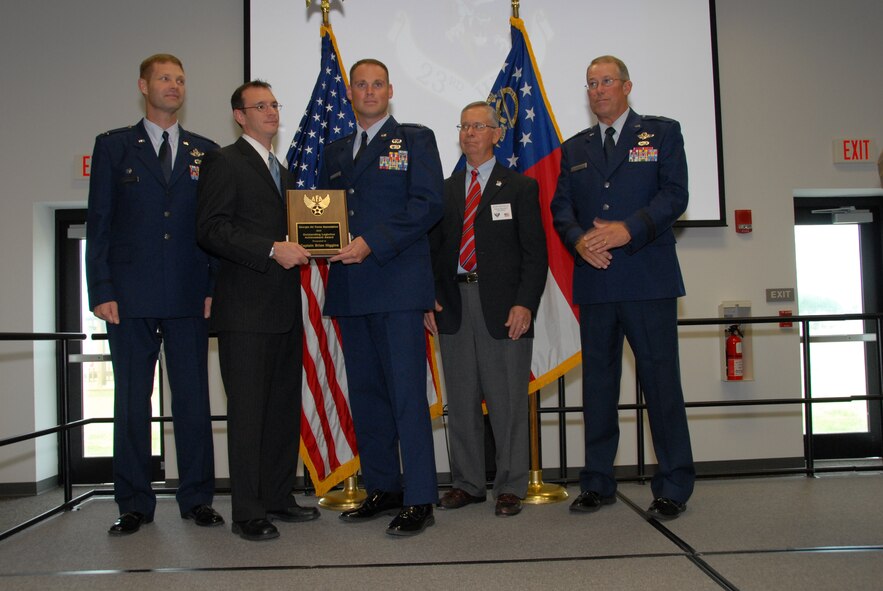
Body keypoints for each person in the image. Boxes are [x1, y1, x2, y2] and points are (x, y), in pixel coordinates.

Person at [550, 55, 695, 520]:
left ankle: (672, 485)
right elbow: (561, 209)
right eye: (590, 83)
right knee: (597, 387)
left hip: (647, 280)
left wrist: (626, 229)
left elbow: (675, 195)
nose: (597, 89)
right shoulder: (575, 148)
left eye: (606, 81)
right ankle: (597, 481)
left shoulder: (662, 133)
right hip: (595, 281)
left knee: (660, 385)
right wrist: (578, 242)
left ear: (627, 86)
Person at [86, 53, 223, 536]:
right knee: (131, 402)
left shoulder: (205, 152)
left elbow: (210, 229)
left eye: (181, 79)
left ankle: (197, 498)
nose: (174, 86)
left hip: (188, 293)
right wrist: (100, 288)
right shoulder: (114, 147)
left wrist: (210, 288)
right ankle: (134, 502)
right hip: (128, 296)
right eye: (165, 78)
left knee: (192, 399)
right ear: (143, 85)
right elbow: (99, 222)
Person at [317, 58, 444, 536]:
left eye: (377, 84)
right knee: (367, 396)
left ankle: (419, 498)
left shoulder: (415, 139)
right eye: (360, 85)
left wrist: (374, 241)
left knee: (407, 396)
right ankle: (383, 487)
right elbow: (323, 214)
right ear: (349, 93)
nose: (369, 92)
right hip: (350, 288)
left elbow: (427, 205)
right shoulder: (334, 152)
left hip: (396, 285)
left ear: (390, 90)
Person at [196, 80, 319, 541]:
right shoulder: (224, 161)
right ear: (239, 116)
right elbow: (210, 229)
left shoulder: (282, 171)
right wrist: (270, 249)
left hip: (285, 309)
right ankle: (248, 512)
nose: (270, 112)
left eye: (273, 104)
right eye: (260, 106)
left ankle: (277, 497)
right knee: (248, 413)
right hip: (245, 312)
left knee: (282, 409)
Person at [425, 101, 547, 517]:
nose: (469, 133)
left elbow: (535, 255)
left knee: (507, 400)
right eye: (463, 126)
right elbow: (433, 252)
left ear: (497, 134)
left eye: (479, 126)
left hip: (504, 309)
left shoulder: (520, 187)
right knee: (460, 400)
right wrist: (430, 298)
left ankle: (511, 485)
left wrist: (525, 304)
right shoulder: (443, 190)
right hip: (454, 304)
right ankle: (468, 483)